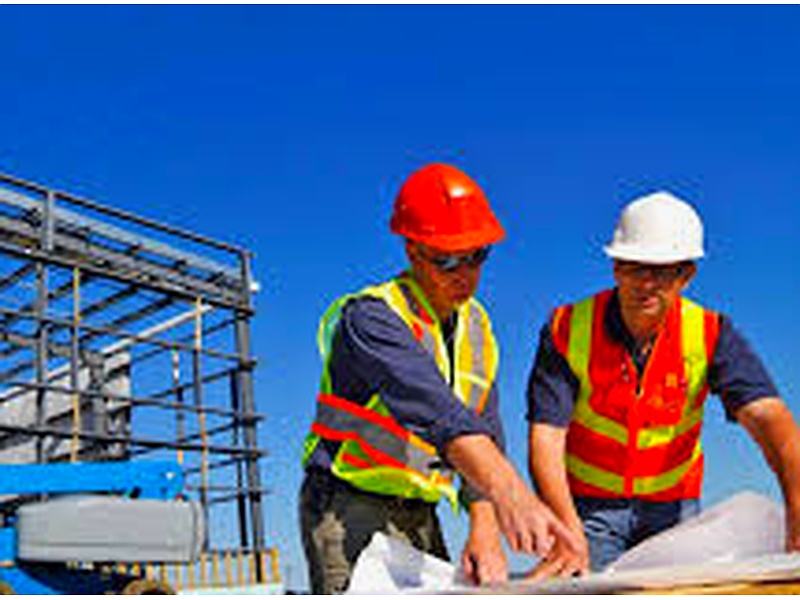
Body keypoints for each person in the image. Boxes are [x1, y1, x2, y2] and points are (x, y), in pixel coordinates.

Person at [300, 163, 578, 593]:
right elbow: (436, 410)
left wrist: (484, 526)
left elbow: (484, 428)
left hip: (420, 510)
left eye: (476, 256)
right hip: (347, 506)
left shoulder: (477, 327)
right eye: (447, 260)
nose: (465, 274)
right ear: (412, 250)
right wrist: (510, 491)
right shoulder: (372, 318)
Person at [526, 190, 800, 577]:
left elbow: (770, 420)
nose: (645, 283)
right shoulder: (566, 329)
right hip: (589, 509)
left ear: (686, 276)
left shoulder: (711, 334)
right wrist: (567, 529)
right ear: (615, 267)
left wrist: (797, 508)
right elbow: (546, 439)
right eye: (633, 267)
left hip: (674, 508)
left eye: (661, 271)